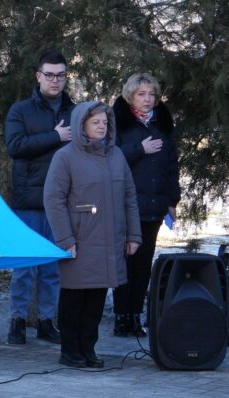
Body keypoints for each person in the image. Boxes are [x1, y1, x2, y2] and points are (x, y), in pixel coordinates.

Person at [44, 101, 141, 368]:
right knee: (75, 297)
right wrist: (65, 239)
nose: (101, 126)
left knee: (96, 299)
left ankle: (88, 349)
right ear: (81, 125)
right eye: (95, 122)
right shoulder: (65, 157)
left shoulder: (117, 155)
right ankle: (69, 351)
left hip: (110, 239)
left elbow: (130, 197)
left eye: (104, 122)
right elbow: (53, 199)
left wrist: (134, 235)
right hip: (80, 239)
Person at [3, 50, 75, 345]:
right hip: (28, 199)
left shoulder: (75, 111)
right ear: (38, 76)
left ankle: (47, 321)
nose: (55, 80)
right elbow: (15, 146)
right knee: (24, 267)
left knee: (52, 268)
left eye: (60, 75)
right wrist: (55, 137)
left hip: (62, 200)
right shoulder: (20, 111)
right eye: (49, 74)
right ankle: (17, 321)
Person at [112, 73, 179, 337]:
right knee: (125, 263)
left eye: (151, 94)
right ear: (131, 96)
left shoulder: (163, 124)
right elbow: (112, 159)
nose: (147, 99)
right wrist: (139, 149)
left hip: (154, 205)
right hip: (126, 205)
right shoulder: (119, 123)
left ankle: (135, 316)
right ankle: (120, 316)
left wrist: (173, 200)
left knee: (143, 266)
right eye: (142, 94)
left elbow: (171, 167)